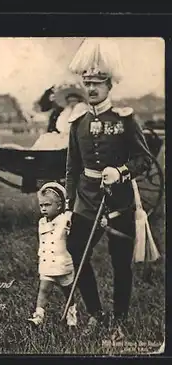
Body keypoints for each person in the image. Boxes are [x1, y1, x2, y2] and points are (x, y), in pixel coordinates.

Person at [64, 38, 153, 337]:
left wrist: (121, 171)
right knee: (76, 251)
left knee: (120, 263)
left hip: (121, 203)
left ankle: (120, 319)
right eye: (87, 83)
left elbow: (144, 160)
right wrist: (67, 207)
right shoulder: (77, 123)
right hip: (86, 202)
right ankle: (95, 314)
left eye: (97, 84)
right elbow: (72, 169)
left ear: (109, 86)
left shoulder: (125, 121)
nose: (91, 89)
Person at [28, 182, 78, 327]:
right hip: (47, 262)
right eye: (41, 205)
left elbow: (72, 229)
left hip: (62, 263)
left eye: (47, 205)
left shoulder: (65, 220)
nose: (43, 208)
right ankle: (38, 316)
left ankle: (71, 312)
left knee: (68, 292)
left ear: (59, 205)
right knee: (43, 289)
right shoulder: (42, 222)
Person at [31, 83, 88, 150]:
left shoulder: (81, 107)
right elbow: (60, 126)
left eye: (73, 100)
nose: (71, 103)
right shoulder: (67, 110)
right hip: (64, 135)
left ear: (78, 99)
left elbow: (74, 126)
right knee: (45, 138)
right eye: (69, 101)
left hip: (76, 137)